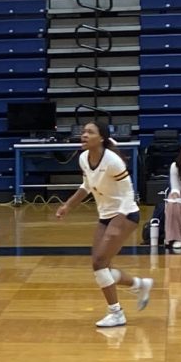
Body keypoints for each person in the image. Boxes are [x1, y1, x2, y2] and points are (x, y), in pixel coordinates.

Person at [55, 121, 153, 328]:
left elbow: (129, 193)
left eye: (90, 132)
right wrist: (68, 206)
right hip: (105, 215)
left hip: (126, 214)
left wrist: (119, 220)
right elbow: (86, 186)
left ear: (101, 138)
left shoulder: (113, 161)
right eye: (83, 132)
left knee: (98, 263)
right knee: (102, 266)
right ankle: (139, 284)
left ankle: (116, 312)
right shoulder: (83, 158)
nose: (84, 135)